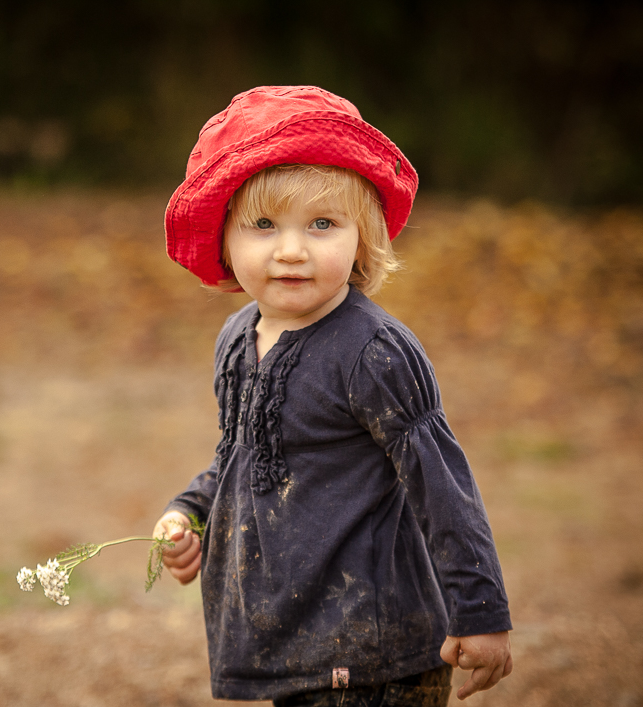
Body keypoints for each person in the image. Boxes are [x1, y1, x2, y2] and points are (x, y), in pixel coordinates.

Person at [153, 86, 513, 706]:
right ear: (225, 240)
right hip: (293, 641)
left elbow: (441, 482)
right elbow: (243, 453)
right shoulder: (238, 339)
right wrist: (191, 513)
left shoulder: (373, 352)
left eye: (321, 224)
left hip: (373, 650)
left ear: (362, 238)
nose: (292, 249)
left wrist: (480, 612)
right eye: (264, 225)